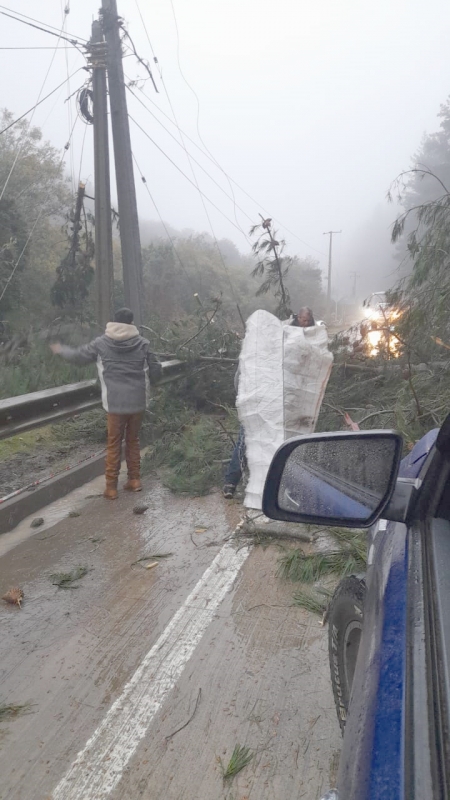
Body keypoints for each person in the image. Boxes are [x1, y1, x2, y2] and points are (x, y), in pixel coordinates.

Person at [50, 308, 161, 500]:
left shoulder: (101, 343)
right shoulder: (143, 344)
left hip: (114, 403)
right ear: (131, 323)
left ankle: (111, 488)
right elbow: (156, 369)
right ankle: (134, 480)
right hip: (138, 402)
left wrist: (61, 350)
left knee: (113, 443)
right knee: (133, 440)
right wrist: (155, 382)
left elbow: (78, 356)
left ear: (113, 322)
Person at [222, 307, 316, 499]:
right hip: (257, 402)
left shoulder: (289, 346)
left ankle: (272, 484)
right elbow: (239, 378)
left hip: (277, 404)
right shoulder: (255, 351)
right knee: (245, 441)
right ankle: (231, 481)